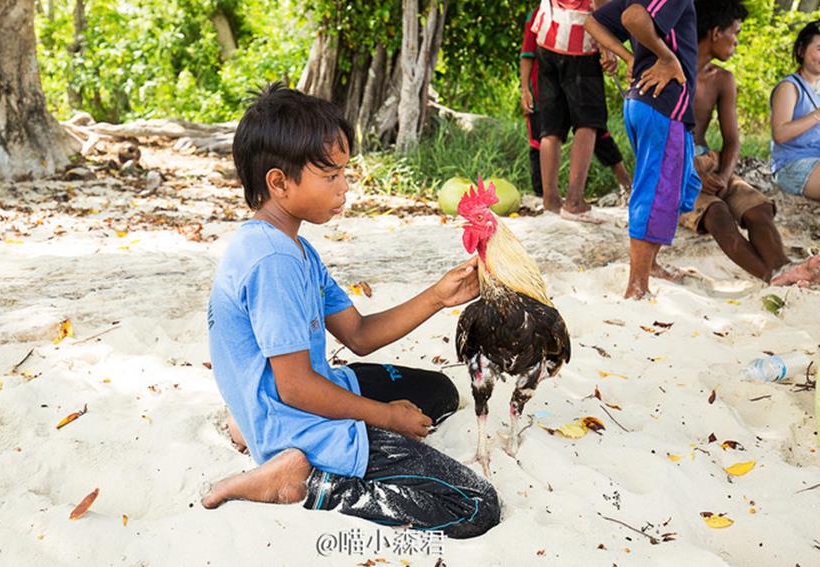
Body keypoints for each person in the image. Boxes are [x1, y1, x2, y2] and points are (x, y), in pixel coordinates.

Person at [201, 83, 500, 539]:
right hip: (297, 423)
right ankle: (304, 481)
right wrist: (382, 416)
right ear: (279, 182)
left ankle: (247, 420)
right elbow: (298, 388)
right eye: (331, 176)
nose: (344, 188)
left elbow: (357, 334)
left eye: (345, 172)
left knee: (438, 392)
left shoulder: (292, 246)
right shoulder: (273, 262)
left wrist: (438, 296)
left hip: (292, 396)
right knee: (475, 506)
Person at [681, 0, 820, 287]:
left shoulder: (722, 79)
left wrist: (722, 173)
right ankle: (773, 276)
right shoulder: (675, 70)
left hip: (712, 161)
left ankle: (782, 268)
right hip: (678, 166)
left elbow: (732, 139)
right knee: (716, 213)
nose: (737, 41)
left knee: (758, 208)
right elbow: (659, 139)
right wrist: (691, 173)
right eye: (736, 32)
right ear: (717, 32)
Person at [586, 0, 702, 299]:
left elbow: (593, 22)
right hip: (662, 103)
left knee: (681, 187)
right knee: (654, 192)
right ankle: (637, 285)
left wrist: (628, 58)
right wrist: (665, 58)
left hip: (651, 104)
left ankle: (651, 265)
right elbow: (632, 16)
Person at [520, 5, 632, 199]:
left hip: (550, 47)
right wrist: (608, 49)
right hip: (578, 48)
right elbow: (598, 8)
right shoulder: (536, 14)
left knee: (554, 130)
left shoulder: (540, 13)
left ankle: (550, 199)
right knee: (588, 124)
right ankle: (573, 200)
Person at [770, 21, 820, 202]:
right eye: (819, 48)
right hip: (792, 165)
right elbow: (780, 134)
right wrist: (817, 115)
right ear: (801, 50)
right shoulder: (789, 87)